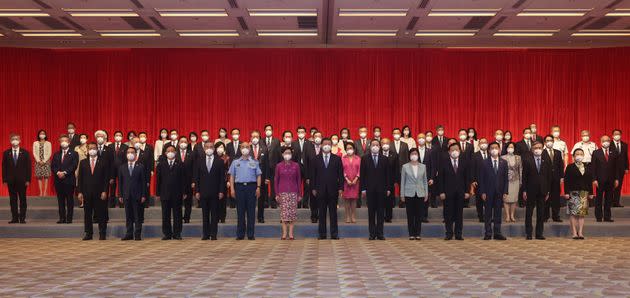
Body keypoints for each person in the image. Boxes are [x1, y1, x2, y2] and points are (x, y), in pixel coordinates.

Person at [228, 142, 262, 240]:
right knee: (240, 212)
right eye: (243, 147)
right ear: (240, 148)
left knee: (251, 212)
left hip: (251, 187)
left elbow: (258, 175)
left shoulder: (254, 161)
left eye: (247, 147)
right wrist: (232, 189)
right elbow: (232, 176)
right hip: (239, 188)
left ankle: (251, 234)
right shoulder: (235, 162)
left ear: (250, 148)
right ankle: (240, 234)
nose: (245, 148)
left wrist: (258, 187)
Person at [311, 138, 344, 240]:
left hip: (333, 189)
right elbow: (313, 175)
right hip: (320, 189)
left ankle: (334, 234)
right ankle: (322, 234)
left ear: (331, 146)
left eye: (329, 144)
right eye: (325, 144)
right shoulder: (315, 159)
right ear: (321, 145)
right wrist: (313, 188)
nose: (327, 145)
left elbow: (341, 175)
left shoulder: (337, 159)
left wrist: (341, 188)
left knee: (333, 213)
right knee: (321, 213)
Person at [438, 143, 471, 240]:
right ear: (449, 152)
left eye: (456, 149)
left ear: (460, 151)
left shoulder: (464, 162)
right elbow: (440, 178)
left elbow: (466, 178)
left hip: (460, 192)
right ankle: (449, 233)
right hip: (447, 193)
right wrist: (441, 192)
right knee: (448, 214)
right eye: (452, 150)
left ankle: (458, 234)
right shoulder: (444, 161)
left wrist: (467, 191)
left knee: (459, 214)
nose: (454, 152)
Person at [194, 142, 226, 240]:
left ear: (214, 149)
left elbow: (222, 178)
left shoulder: (219, 161)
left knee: (214, 215)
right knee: (205, 214)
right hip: (203, 192)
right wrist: (197, 191)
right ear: (204, 149)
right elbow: (197, 178)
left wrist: (221, 191)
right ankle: (205, 234)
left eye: (211, 147)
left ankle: (213, 234)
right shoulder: (199, 161)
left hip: (215, 192)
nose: (209, 148)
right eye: (207, 147)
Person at [360, 140, 392, 240]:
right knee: (371, 213)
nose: (375, 146)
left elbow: (388, 175)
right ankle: (372, 234)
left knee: (381, 212)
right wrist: (363, 189)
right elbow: (363, 175)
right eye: (373, 145)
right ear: (370, 146)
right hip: (369, 189)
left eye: (377, 145)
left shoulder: (385, 159)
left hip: (382, 189)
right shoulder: (364, 158)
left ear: (380, 146)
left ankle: (380, 233)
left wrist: (388, 188)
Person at [77, 142, 109, 240]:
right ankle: (88, 233)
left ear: (97, 149)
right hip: (87, 192)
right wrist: (80, 192)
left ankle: (102, 233)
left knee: (101, 213)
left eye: (94, 148)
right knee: (87, 214)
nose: (92, 150)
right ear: (87, 149)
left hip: (100, 193)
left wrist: (104, 191)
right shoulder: (83, 162)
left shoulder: (103, 161)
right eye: (90, 148)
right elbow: (80, 179)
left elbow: (105, 178)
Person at [478, 142, 508, 240]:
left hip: (499, 192)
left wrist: (505, 191)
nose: (494, 149)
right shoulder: (484, 162)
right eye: (492, 148)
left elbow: (505, 179)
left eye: (496, 148)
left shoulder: (504, 162)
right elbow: (481, 178)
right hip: (488, 192)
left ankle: (497, 233)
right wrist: (482, 192)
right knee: (487, 214)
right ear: (489, 150)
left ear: (499, 150)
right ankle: (488, 233)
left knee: (498, 213)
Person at [522, 142, 551, 240]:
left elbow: (548, 177)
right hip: (530, 190)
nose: (538, 149)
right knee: (529, 212)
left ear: (543, 148)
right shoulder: (527, 160)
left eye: (539, 147)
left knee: (541, 213)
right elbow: (524, 177)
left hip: (542, 190)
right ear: (532, 149)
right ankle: (529, 233)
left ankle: (539, 233)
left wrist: (548, 191)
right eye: (535, 148)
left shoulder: (546, 160)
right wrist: (524, 190)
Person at [156, 145, 186, 240]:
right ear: (165, 153)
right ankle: (167, 234)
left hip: (177, 193)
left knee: (177, 215)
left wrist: (184, 192)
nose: (170, 152)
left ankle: (177, 233)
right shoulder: (161, 164)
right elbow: (158, 180)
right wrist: (158, 193)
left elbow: (183, 180)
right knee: (165, 215)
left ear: (175, 153)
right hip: (165, 193)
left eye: (172, 151)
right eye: (168, 151)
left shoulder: (180, 164)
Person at [564, 148, 593, 240]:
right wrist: (566, 192)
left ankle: (580, 232)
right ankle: (574, 232)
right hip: (573, 192)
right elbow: (566, 181)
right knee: (573, 213)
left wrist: (591, 192)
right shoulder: (570, 167)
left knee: (581, 214)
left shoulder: (587, 166)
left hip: (584, 192)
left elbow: (589, 181)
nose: (579, 156)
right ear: (573, 156)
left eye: (581, 154)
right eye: (577, 154)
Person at [118, 147, 147, 240]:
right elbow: (120, 183)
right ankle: (129, 233)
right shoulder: (122, 167)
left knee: (137, 215)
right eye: (128, 152)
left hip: (138, 195)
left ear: (135, 154)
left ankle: (137, 234)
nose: (130, 154)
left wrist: (143, 195)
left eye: (132, 152)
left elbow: (143, 182)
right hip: (126, 195)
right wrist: (120, 195)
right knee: (128, 215)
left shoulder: (141, 166)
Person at [400, 148, 428, 240]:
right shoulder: (405, 166)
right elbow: (402, 181)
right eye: (412, 153)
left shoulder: (423, 166)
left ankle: (418, 233)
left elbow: (425, 181)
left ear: (418, 155)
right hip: (409, 193)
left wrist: (426, 193)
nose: (414, 155)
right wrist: (402, 194)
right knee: (410, 214)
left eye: (416, 153)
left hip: (420, 193)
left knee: (419, 214)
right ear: (409, 155)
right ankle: (411, 233)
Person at [591, 135, 621, 222]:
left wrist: (617, 179)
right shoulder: (596, 152)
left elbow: (616, 168)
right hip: (599, 180)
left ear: (610, 141)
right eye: (604, 140)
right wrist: (594, 179)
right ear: (601, 142)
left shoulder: (614, 152)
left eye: (607, 140)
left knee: (609, 199)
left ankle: (607, 217)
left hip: (611, 180)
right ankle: (599, 217)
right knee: (599, 199)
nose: (606, 142)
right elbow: (593, 168)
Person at [2, 134, 31, 224]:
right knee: (12, 200)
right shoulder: (6, 153)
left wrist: (28, 180)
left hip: (22, 181)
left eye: (16, 139)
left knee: (22, 199)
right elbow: (4, 167)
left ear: (20, 140)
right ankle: (14, 218)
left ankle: (22, 218)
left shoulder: (25, 153)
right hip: (10, 181)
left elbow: (28, 167)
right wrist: (4, 179)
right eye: (13, 139)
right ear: (10, 141)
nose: (15, 140)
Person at [275, 146, 302, 240]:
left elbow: (299, 180)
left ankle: (291, 233)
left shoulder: (296, 165)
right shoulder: (278, 165)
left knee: (292, 214)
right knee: (284, 214)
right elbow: (276, 180)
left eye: (289, 153)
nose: (287, 155)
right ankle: (284, 233)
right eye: (285, 153)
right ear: (282, 154)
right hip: (282, 192)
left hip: (294, 192)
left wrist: (299, 194)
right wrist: (277, 193)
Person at [51, 135, 79, 224]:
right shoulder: (56, 154)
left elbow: (74, 166)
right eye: (62, 140)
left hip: (69, 180)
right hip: (58, 181)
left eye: (65, 140)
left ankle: (69, 218)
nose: (63, 142)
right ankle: (62, 218)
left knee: (70, 200)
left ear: (69, 142)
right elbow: (53, 166)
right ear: (59, 142)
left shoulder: (74, 153)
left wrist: (65, 173)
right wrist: (58, 173)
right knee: (60, 200)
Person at [542, 135, 565, 222]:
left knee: (556, 198)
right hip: (545, 179)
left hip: (556, 178)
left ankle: (556, 216)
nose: (549, 142)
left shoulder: (558, 152)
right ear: (544, 142)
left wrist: (562, 177)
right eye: (547, 140)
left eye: (551, 140)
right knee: (546, 198)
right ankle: (545, 216)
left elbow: (561, 165)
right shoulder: (542, 152)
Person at [250, 130, 269, 223]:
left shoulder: (264, 149)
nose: (254, 138)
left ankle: (260, 217)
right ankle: (251, 217)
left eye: (256, 136)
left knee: (261, 198)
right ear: (250, 138)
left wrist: (267, 177)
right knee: (251, 198)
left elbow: (267, 164)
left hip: (261, 177)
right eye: (253, 136)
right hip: (249, 177)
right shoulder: (247, 148)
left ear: (259, 138)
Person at [416, 133, 435, 222]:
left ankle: (424, 216)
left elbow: (432, 166)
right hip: (416, 178)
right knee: (417, 197)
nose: (421, 139)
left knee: (425, 198)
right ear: (417, 139)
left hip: (427, 178)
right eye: (419, 138)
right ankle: (418, 216)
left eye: (423, 138)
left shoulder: (430, 151)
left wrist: (432, 178)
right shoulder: (414, 151)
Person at [305, 131, 323, 222]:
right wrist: (307, 177)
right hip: (312, 177)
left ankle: (321, 215)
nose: (317, 138)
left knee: (321, 197)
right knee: (313, 197)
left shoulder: (325, 148)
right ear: (313, 138)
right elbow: (306, 163)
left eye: (319, 136)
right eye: (316, 136)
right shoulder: (308, 148)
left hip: (323, 177)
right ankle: (314, 215)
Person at [470, 138, 489, 222]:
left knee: (489, 200)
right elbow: (472, 168)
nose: (483, 144)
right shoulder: (475, 155)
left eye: (485, 142)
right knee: (479, 200)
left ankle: (488, 217)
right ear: (479, 145)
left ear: (487, 144)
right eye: (481, 143)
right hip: (478, 181)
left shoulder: (491, 154)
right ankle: (480, 216)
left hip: (490, 181)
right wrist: (473, 180)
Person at [501, 142, 521, 222]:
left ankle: (512, 215)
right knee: (506, 198)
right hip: (505, 181)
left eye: (512, 147)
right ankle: (507, 216)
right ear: (506, 148)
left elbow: (520, 169)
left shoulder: (518, 157)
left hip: (515, 180)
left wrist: (521, 181)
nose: (510, 148)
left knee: (514, 199)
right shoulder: (502, 157)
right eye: (509, 147)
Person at [176, 136, 194, 223]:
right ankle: (178, 218)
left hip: (188, 181)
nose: (183, 143)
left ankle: (187, 217)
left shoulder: (192, 153)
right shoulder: (174, 153)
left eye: (185, 142)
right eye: (181, 141)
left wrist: (194, 181)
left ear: (187, 144)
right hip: (177, 181)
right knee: (177, 201)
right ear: (178, 143)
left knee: (188, 201)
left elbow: (195, 168)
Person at [381, 138, 399, 222]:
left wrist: (396, 181)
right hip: (380, 181)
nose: (385, 145)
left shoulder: (394, 155)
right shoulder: (377, 154)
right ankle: (381, 216)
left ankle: (388, 217)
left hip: (390, 181)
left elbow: (396, 169)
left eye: (387, 143)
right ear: (381, 144)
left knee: (389, 200)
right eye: (383, 143)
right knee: (380, 200)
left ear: (390, 144)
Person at [108, 131, 128, 208]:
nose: (118, 137)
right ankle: (112, 203)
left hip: (122, 169)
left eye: (120, 135)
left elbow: (126, 159)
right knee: (112, 186)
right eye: (116, 135)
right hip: (112, 170)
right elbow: (108, 159)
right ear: (114, 137)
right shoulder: (110, 146)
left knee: (122, 186)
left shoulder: (125, 147)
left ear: (122, 137)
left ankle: (121, 203)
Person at [263, 124, 281, 209]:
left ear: (272, 131)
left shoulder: (277, 141)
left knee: (274, 185)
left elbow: (279, 154)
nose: (268, 131)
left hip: (274, 166)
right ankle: (265, 201)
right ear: (264, 131)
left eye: (270, 129)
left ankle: (273, 202)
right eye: (266, 129)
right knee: (265, 185)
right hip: (264, 167)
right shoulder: (261, 140)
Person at [342, 142, 360, 223]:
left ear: (354, 149)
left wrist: (356, 179)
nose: (349, 150)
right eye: (347, 148)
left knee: (353, 200)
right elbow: (341, 170)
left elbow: (360, 170)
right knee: (346, 200)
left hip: (356, 182)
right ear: (345, 150)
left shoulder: (358, 158)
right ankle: (347, 216)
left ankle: (353, 216)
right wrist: (347, 179)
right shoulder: (342, 159)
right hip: (346, 182)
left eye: (351, 148)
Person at [611, 129, 628, 207]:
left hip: (621, 168)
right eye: (615, 134)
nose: (617, 135)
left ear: (621, 135)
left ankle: (616, 202)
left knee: (619, 186)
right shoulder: (609, 144)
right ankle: (609, 202)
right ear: (612, 136)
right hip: (611, 168)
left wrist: (627, 167)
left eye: (618, 134)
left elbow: (625, 157)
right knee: (611, 185)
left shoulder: (624, 144)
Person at [215, 142, 231, 223]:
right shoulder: (213, 157)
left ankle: (223, 217)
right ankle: (216, 217)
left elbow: (228, 170)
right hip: (214, 182)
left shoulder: (226, 158)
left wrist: (228, 180)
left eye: (222, 147)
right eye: (218, 147)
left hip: (224, 181)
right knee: (215, 201)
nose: (220, 148)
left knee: (223, 201)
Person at [33, 130, 51, 197]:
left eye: (43, 133)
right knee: (39, 177)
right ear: (38, 135)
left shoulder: (48, 143)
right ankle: (40, 192)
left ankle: (45, 192)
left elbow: (49, 153)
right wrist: (38, 160)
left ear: (45, 135)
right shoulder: (35, 143)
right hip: (38, 162)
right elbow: (34, 152)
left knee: (46, 177)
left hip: (46, 162)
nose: (42, 135)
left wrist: (44, 161)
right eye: (41, 133)